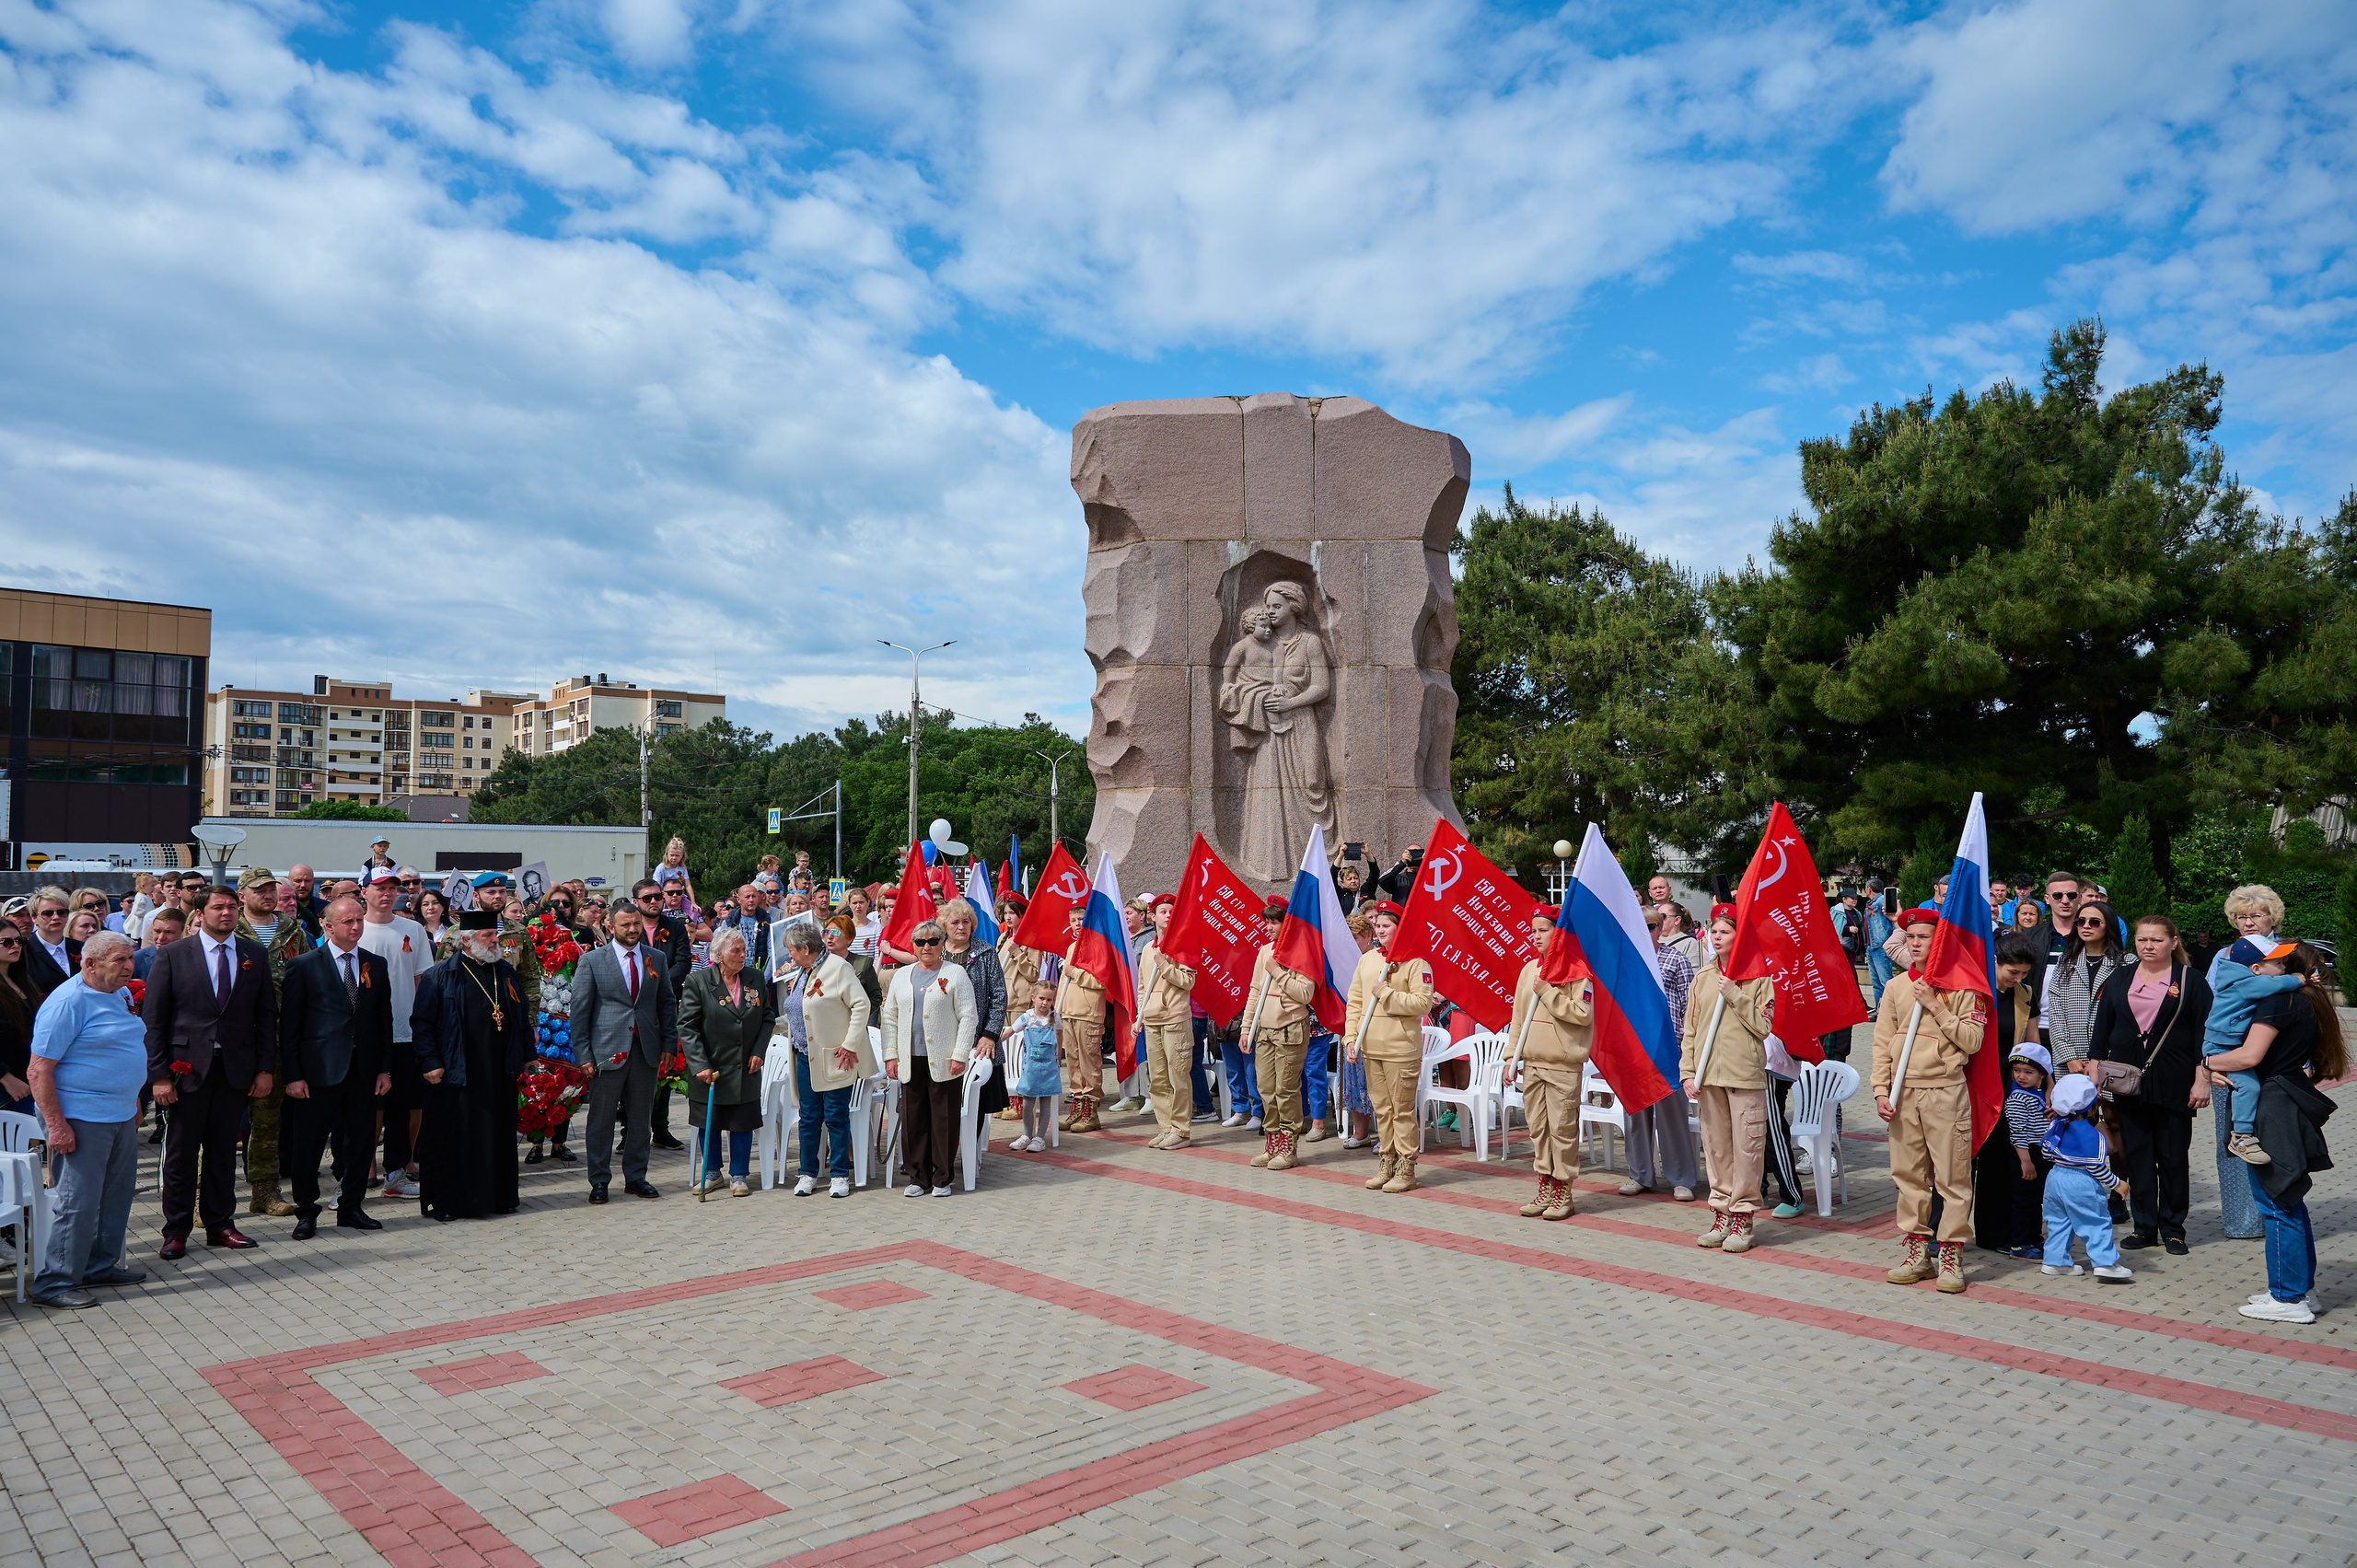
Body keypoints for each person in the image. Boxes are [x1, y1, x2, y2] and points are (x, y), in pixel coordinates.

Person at [2201, 941, 2343, 1322]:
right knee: (2289, 1200)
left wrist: (2206, 1061)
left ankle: (2289, 1298)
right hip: (2287, 1098)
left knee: (2277, 1204)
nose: (2274, 966)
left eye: (2280, 962)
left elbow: (2249, 1056)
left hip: (2272, 1106)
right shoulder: (2305, 1000)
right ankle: (2299, 1289)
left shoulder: (2280, 1002)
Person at [145, 883, 276, 1259]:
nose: (227, 913)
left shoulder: (253, 953)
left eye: (232, 906)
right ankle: (176, 1230)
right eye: (219, 907)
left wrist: (264, 1068)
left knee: (222, 1151)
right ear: (200, 914)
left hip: (234, 1069)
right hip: (186, 1071)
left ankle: (220, 1224)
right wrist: (159, 1075)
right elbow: (154, 1019)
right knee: (181, 1155)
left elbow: (265, 1015)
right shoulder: (174, 954)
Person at [24, 932, 150, 1307]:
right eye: (119, 960)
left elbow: (123, 1048)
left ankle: (98, 1266)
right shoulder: (68, 1002)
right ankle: (55, 1283)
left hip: (120, 1113)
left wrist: (133, 1098)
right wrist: (56, 1125)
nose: (129, 966)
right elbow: (38, 1070)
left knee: (116, 1195)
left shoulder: (120, 993)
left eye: (130, 958)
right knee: (77, 1203)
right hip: (81, 1117)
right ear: (90, 963)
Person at [1872, 905, 1988, 1294]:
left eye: (1924, 937)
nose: (1916, 944)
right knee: (1908, 1176)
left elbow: (1972, 1041)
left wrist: (1936, 1004)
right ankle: (1918, 1252)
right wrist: (1880, 1090)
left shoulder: (1964, 985)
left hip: (1945, 1091)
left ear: (1940, 942)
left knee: (1952, 1177)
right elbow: (1882, 1044)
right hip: (1902, 1093)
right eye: (1911, 937)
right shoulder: (1895, 986)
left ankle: (1951, 1253)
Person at [2087, 915, 2213, 1255]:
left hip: (2175, 1080)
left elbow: (2204, 1034)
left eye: (2156, 940)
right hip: (2128, 1081)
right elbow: (2103, 1025)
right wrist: (2094, 1065)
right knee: (2138, 1156)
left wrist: (2202, 1078)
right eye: (2142, 940)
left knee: (2173, 1158)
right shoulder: (2121, 977)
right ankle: (2144, 1228)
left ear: (2173, 942)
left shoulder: (2190, 980)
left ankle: (2173, 1229)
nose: (2148, 946)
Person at [276, 895, 392, 1238]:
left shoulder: (375, 964)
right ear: (327, 926)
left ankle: (351, 1206)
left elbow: (383, 1020)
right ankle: (306, 1211)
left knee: (360, 1142)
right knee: (309, 1145)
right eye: (347, 921)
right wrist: (294, 1075)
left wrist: (384, 1068)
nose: (356, 927)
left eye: (359, 920)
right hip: (318, 1071)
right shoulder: (304, 965)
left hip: (363, 1070)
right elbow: (290, 1027)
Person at [409, 911, 531, 1221]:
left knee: (497, 1135)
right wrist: (430, 1061)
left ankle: (498, 1198)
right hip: (457, 1070)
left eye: (495, 936)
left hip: (498, 1069)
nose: (495, 941)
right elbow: (422, 1023)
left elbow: (520, 1014)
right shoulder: (440, 975)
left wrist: (528, 1054)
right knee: (457, 1138)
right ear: (466, 941)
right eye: (487, 936)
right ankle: (450, 1203)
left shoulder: (504, 970)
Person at [1681, 906, 1773, 1252]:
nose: (1717, 938)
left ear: (1740, 937)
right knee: (1717, 1148)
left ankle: (1743, 1217)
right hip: (1709, 1078)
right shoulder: (1703, 978)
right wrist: (1688, 1072)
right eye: (1714, 931)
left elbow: (1763, 1026)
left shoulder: (1759, 977)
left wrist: (1734, 993)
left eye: (1725, 932)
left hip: (1744, 1076)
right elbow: (1691, 1030)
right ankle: (1721, 1212)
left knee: (1747, 1149)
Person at [575, 900, 677, 1203]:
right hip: (606, 1052)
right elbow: (580, 1011)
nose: (633, 929)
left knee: (641, 1119)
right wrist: (584, 1055)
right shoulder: (592, 961)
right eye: (625, 925)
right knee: (601, 1120)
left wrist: (669, 1044)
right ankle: (599, 1180)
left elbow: (666, 1003)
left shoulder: (656, 958)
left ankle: (636, 1177)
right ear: (610, 926)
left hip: (645, 1050)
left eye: (636, 924)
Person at [2204, 884, 2284, 1240]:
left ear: (2273, 918)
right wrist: (2208, 1065)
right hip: (2230, 1060)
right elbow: (2209, 1009)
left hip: (2278, 1061)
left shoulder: (2289, 953)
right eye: (2241, 916)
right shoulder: (2223, 955)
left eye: (2256, 915)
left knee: (2279, 1141)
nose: (2248, 922)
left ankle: (2280, 1217)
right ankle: (2242, 1223)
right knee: (2234, 1141)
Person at [879, 920, 978, 1197]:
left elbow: (968, 1016)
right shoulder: (902, 975)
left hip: (944, 1060)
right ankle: (918, 1177)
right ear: (913, 945)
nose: (926, 947)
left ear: (941, 944)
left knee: (943, 1120)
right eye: (920, 942)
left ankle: (942, 1178)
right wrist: (890, 1055)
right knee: (913, 1119)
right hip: (910, 1059)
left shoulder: (955, 973)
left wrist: (960, 1054)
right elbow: (890, 1017)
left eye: (933, 941)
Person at [1346, 900, 1434, 1193]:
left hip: (1400, 1049)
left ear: (1400, 928)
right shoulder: (1367, 960)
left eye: (1386, 925)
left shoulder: (1416, 963)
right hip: (1371, 1047)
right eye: (1377, 926)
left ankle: (1406, 1167)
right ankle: (1388, 1160)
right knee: (1382, 1110)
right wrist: (1351, 1038)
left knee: (1401, 1111)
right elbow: (1355, 1002)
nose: (1380, 930)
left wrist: (1386, 993)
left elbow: (1421, 1003)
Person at [360, 865, 437, 1199]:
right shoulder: (355, 928)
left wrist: (425, 1026)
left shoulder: (413, 929)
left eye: (392, 888)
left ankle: (396, 1172)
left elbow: (423, 980)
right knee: (365, 1107)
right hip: (365, 1035)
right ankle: (361, 1170)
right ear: (365, 892)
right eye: (380, 888)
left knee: (400, 1107)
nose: (387, 893)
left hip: (404, 1032)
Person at [679, 925, 773, 1197]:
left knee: (742, 1121)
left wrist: (759, 1051)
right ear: (719, 955)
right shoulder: (698, 982)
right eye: (736, 950)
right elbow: (687, 1026)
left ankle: (739, 1174)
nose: (743, 955)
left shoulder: (754, 978)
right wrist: (700, 1064)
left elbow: (767, 1018)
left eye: (744, 950)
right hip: (711, 1066)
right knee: (709, 1121)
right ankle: (712, 1173)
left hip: (745, 1065)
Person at [784, 924, 874, 1196]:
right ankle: (807, 1173)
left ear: (805, 949)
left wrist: (849, 1044)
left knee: (835, 1116)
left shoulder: (838, 967)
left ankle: (839, 1175)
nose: (789, 955)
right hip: (804, 1056)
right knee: (809, 1118)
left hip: (835, 1056)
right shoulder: (802, 971)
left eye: (791, 950)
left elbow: (862, 1004)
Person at [1968, 933, 2043, 1254]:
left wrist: (2047, 1082)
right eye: (2013, 972)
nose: (2019, 978)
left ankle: (1995, 1235)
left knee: (1999, 1160)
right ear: (1995, 961)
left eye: (2025, 973)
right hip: (1973, 1082)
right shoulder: (1974, 990)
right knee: (1966, 1159)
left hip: (2010, 1085)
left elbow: (2033, 1044)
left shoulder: (2024, 994)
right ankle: (1942, 1231)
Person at [2203, 934, 2305, 1166]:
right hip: (2221, 1047)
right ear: (2256, 969)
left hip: (2228, 1043)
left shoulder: (2242, 979)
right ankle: (2241, 1137)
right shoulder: (2245, 984)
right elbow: (2275, 984)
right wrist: (2297, 979)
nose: (2284, 967)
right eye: (2278, 963)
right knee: (2248, 1086)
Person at [1626, 905, 1701, 1202]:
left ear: (1661, 928)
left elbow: (1690, 1007)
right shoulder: (1625, 961)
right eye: (1639, 926)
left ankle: (1681, 1179)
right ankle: (1639, 1175)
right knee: (1636, 1117)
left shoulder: (1676, 959)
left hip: (1669, 1049)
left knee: (1673, 1119)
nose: (1646, 932)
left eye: (1651, 926)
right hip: (1634, 1049)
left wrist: (1684, 1046)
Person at [2038, 1073, 2134, 1282]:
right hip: (2080, 1181)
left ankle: (2055, 1261)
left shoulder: (2056, 1125)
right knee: (2095, 1222)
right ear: (2091, 1108)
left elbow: (2046, 1153)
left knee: (2058, 1221)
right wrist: (2117, 1184)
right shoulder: (2093, 1135)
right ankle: (2105, 1263)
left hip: (2055, 1178)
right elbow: (2095, 1166)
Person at [938, 898, 1009, 1143]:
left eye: (966, 922)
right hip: (942, 1040)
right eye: (955, 922)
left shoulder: (986, 952)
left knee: (974, 1101)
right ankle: (944, 1149)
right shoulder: (935, 952)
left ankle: (969, 1151)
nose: (961, 926)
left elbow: (999, 997)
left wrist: (989, 1035)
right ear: (944, 926)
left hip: (978, 1041)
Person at [1133, 893, 1199, 1149]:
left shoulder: (1182, 945)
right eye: (1163, 912)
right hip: (1152, 1020)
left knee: (1178, 1076)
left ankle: (1181, 1130)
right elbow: (1142, 987)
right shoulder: (1148, 949)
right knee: (1158, 1079)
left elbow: (1187, 982)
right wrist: (1140, 1015)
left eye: (1172, 911)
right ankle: (1166, 1127)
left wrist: (1164, 964)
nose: (1168, 915)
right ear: (1152, 917)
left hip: (1175, 1019)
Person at [2047, 899, 2123, 1074]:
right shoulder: (2065, 962)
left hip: (2111, 1062)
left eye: (2095, 922)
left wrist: (2101, 1060)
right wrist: (2069, 1057)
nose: (2086, 926)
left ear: (2109, 926)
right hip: (2071, 1062)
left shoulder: (2126, 963)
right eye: (2081, 921)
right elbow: (2056, 1012)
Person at [1053, 907, 1107, 1132]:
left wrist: (1075, 972)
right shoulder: (1071, 947)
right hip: (1069, 1011)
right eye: (1073, 920)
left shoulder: (1099, 946)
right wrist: (1058, 1008)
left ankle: (1091, 1112)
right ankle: (1077, 1107)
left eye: (1081, 919)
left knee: (1089, 1062)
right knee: (1073, 1062)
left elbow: (1101, 981)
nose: (1077, 923)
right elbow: (1063, 983)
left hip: (1088, 1012)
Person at [2000, 1042, 2055, 1259]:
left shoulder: (2038, 1094)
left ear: (2042, 1074)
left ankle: (2034, 1237)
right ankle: (2020, 1243)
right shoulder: (2018, 1098)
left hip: (2039, 1153)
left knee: (2034, 1200)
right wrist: (2025, 1161)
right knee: (2023, 1201)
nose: (2021, 1076)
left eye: (2028, 1072)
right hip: (2026, 1154)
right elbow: (2018, 1132)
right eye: (2017, 1070)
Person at [1, 918, 52, 1114]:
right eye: (7, 942)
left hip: (31, 1077)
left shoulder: (24, 981)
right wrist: (6, 1078)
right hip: (8, 1086)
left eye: (19, 941)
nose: (15, 946)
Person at [1008, 982, 1062, 1152]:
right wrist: (992, 1043)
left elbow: (1059, 1034)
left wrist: (1059, 1055)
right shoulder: (1027, 1017)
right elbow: (1011, 1031)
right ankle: (1026, 1135)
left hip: (1049, 1068)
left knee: (1046, 1102)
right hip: (1031, 1068)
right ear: (1033, 998)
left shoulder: (1054, 1018)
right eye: (1041, 998)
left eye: (1049, 999)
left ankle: (1039, 1138)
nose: (1045, 1003)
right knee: (1028, 1102)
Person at [24, 886, 79, 991]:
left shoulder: (82, 948)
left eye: (61, 912)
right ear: (34, 918)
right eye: (48, 913)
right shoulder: (24, 952)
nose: (56, 917)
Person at [1864, 881, 1897, 1011]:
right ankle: (1880, 1011)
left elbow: (1893, 919)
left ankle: (1890, 1011)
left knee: (1885, 981)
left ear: (1869, 888)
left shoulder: (1882, 901)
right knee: (1876, 983)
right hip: (1871, 946)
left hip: (1880, 945)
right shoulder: (1871, 903)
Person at [134, 906, 183, 982]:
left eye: (169, 932)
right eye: (157, 931)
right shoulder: (136, 959)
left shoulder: (193, 958)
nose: (161, 938)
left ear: (183, 933)